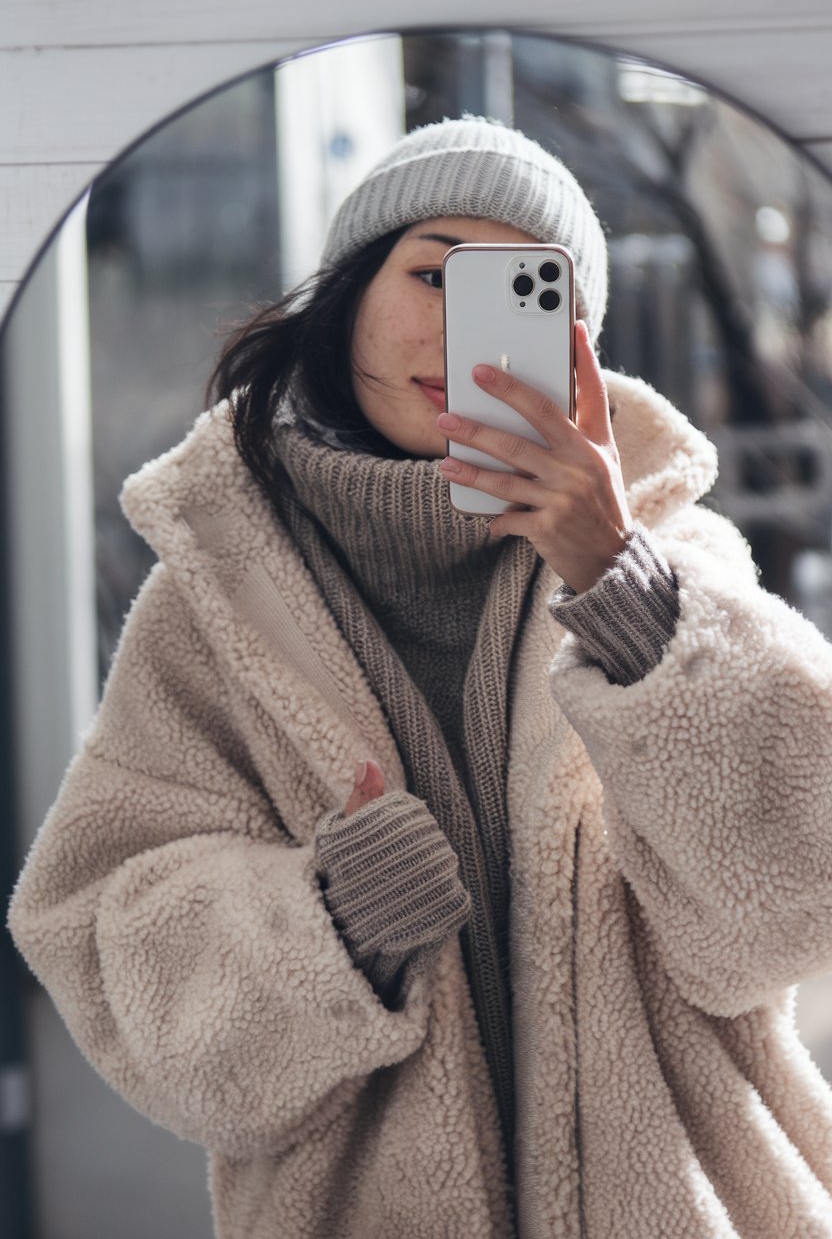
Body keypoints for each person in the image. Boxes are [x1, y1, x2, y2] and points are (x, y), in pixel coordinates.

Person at [8, 116, 832, 1239]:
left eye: (523, 297)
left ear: (576, 349)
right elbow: (108, 950)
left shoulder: (673, 561)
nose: (464, 331)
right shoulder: (213, 602)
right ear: (347, 295)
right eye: (432, 271)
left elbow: (795, 899)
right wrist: (332, 922)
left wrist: (624, 593)